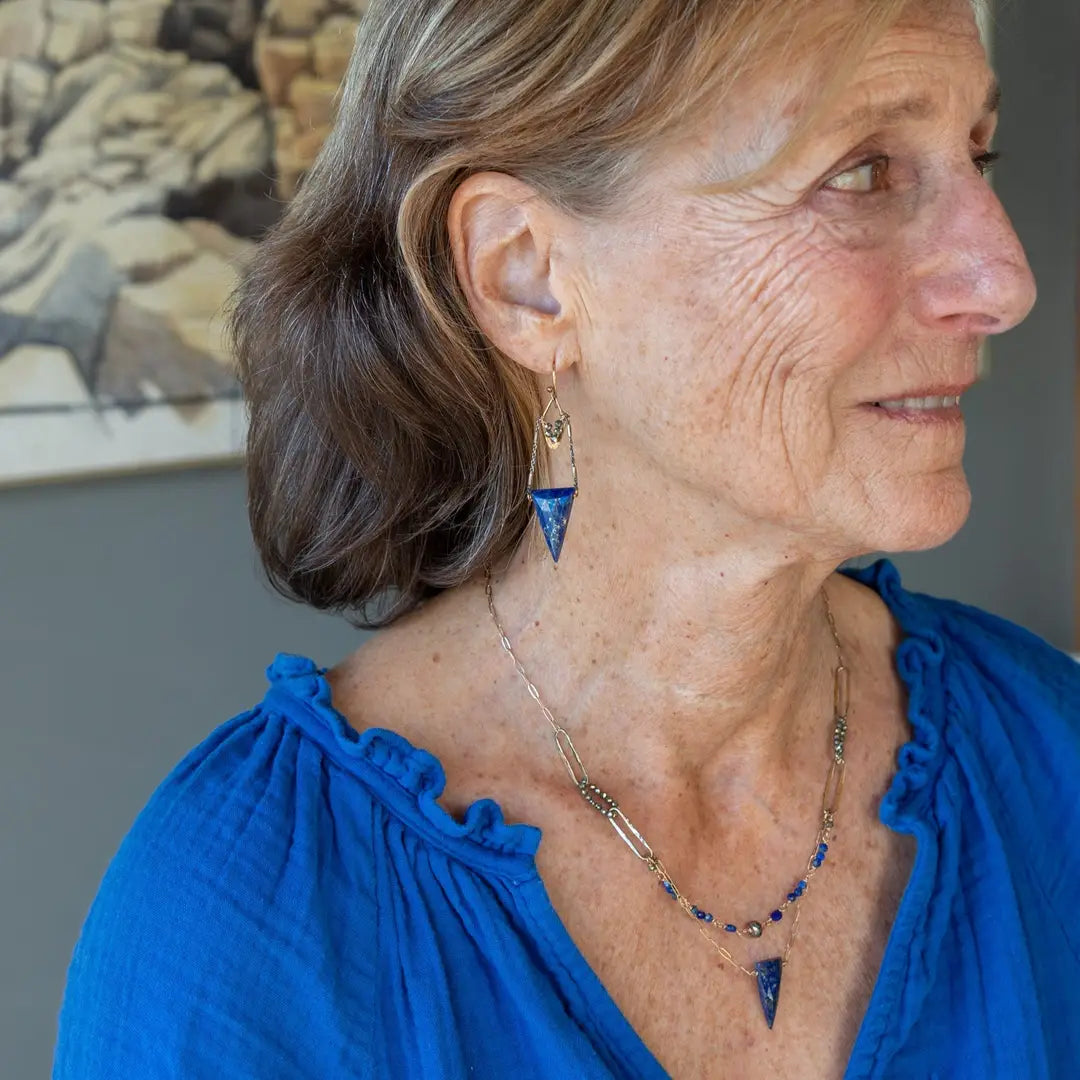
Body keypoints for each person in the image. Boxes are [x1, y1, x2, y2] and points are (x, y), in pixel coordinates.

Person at [52, 0, 1079, 1076]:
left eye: (977, 154)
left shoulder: (1050, 767)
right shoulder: (246, 925)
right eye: (862, 172)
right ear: (527, 275)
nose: (1004, 279)